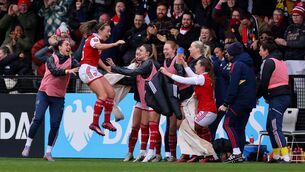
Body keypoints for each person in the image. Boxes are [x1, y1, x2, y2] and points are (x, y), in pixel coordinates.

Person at [21, 40, 79, 161]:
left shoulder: (72, 61)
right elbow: (54, 71)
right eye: (66, 45)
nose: (69, 46)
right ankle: (27, 145)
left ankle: (48, 153)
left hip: (59, 97)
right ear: (60, 47)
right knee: (38, 118)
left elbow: (81, 68)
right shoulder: (51, 58)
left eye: (69, 45)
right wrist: (68, 71)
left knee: (55, 124)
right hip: (45, 92)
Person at [109, 44, 162, 162]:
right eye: (137, 52)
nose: (138, 54)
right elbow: (130, 77)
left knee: (153, 127)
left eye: (141, 51)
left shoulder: (149, 64)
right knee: (137, 127)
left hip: (153, 101)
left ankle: (154, 153)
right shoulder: (138, 65)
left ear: (147, 54)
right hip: (142, 100)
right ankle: (139, 152)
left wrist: (114, 67)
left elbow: (133, 73)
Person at [160, 57, 219, 163]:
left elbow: (184, 80)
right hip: (208, 112)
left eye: (197, 64)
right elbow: (192, 76)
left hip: (207, 112)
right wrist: (185, 64)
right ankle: (193, 154)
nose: (195, 66)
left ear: (202, 67)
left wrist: (167, 73)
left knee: (186, 128)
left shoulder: (202, 78)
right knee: (186, 128)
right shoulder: (203, 77)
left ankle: (208, 153)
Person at [78, 21, 125, 136]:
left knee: (111, 93)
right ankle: (94, 123)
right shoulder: (94, 38)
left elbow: (96, 58)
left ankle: (106, 122)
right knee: (103, 96)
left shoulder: (95, 40)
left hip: (93, 69)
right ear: (99, 31)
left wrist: (106, 68)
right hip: (87, 69)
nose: (109, 34)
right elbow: (99, 47)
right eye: (107, 31)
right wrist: (115, 44)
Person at [218, 42, 256, 163]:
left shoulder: (237, 65)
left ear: (233, 53)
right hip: (249, 102)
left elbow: (233, 86)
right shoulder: (248, 64)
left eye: (228, 51)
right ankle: (240, 154)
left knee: (227, 124)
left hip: (239, 101)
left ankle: (236, 152)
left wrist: (226, 103)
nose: (227, 54)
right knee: (240, 128)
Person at [257, 40, 291, 163]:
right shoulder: (280, 61)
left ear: (266, 51)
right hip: (283, 96)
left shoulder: (268, 62)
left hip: (278, 97)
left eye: (260, 50)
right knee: (270, 126)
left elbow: (264, 83)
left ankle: (286, 156)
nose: (259, 52)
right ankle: (276, 155)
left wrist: (259, 95)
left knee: (275, 128)